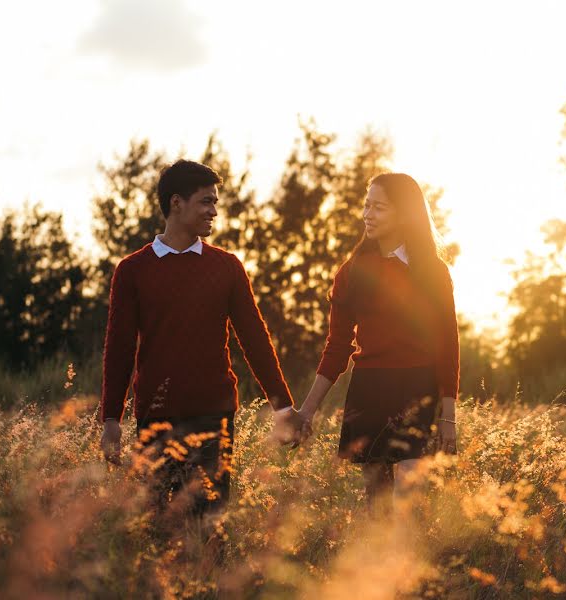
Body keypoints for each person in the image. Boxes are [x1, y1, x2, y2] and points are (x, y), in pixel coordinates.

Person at [99, 159, 307, 517]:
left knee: (210, 523)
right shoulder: (132, 270)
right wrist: (111, 418)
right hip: (156, 417)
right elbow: (119, 348)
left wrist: (283, 406)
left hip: (214, 416)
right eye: (206, 202)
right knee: (160, 524)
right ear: (176, 203)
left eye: (215, 203)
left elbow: (254, 339)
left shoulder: (227, 267)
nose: (214, 211)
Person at [298, 173, 459, 513]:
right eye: (366, 205)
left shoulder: (433, 272)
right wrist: (307, 410)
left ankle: (408, 564)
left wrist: (448, 414)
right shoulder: (351, 272)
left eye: (379, 207)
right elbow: (337, 346)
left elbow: (447, 344)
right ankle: (376, 565)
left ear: (403, 213)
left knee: (407, 496)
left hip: (418, 386)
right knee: (377, 502)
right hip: (369, 388)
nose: (368, 214)